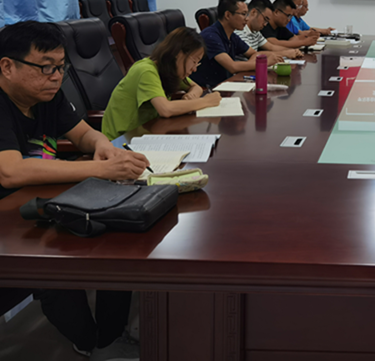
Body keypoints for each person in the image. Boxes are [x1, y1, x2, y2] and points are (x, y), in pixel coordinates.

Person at [0, 21, 148, 360]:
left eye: (60, 68)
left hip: (33, 203)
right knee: (50, 262)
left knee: (120, 230)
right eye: (45, 67)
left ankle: (110, 336)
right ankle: (91, 343)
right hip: (9, 217)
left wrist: (104, 146)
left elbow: (83, 134)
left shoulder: (46, 95)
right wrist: (101, 169)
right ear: (7, 66)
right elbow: (10, 171)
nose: (56, 77)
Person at [102, 28, 224, 139]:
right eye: (194, 61)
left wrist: (192, 96)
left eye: (198, 63)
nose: (194, 69)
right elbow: (165, 109)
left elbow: (196, 87)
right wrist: (206, 101)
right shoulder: (146, 71)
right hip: (121, 140)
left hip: (146, 133)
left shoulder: (170, 70)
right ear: (178, 54)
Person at [191, 0, 273, 88]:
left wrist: (254, 62)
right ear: (228, 15)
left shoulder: (231, 35)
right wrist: (264, 63)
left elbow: (254, 53)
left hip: (225, 84)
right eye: (243, 14)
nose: (247, 19)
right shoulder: (211, 36)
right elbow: (232, 67)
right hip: (206, 88)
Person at [234, 0, 303, 60]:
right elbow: (254, 55)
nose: (265, 24)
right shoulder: (240, 32)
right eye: (265, 19)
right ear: (254, 12)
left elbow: (271, 47)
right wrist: (284, 53)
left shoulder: (256, 31)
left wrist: (292, 51)